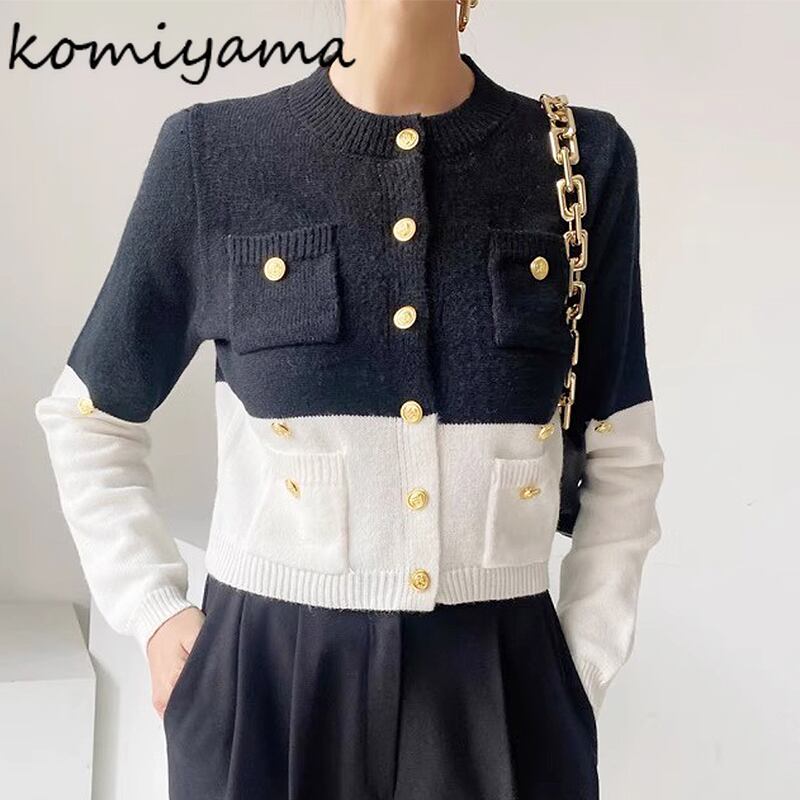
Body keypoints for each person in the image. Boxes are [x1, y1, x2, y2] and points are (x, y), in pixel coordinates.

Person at [35, 1, 665, 798]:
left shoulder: (579, 161)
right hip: (264, 687)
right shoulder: (214, 155)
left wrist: (578, 670)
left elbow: (622, 451)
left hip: (503, 682)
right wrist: (155, 611)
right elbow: (88, 419)